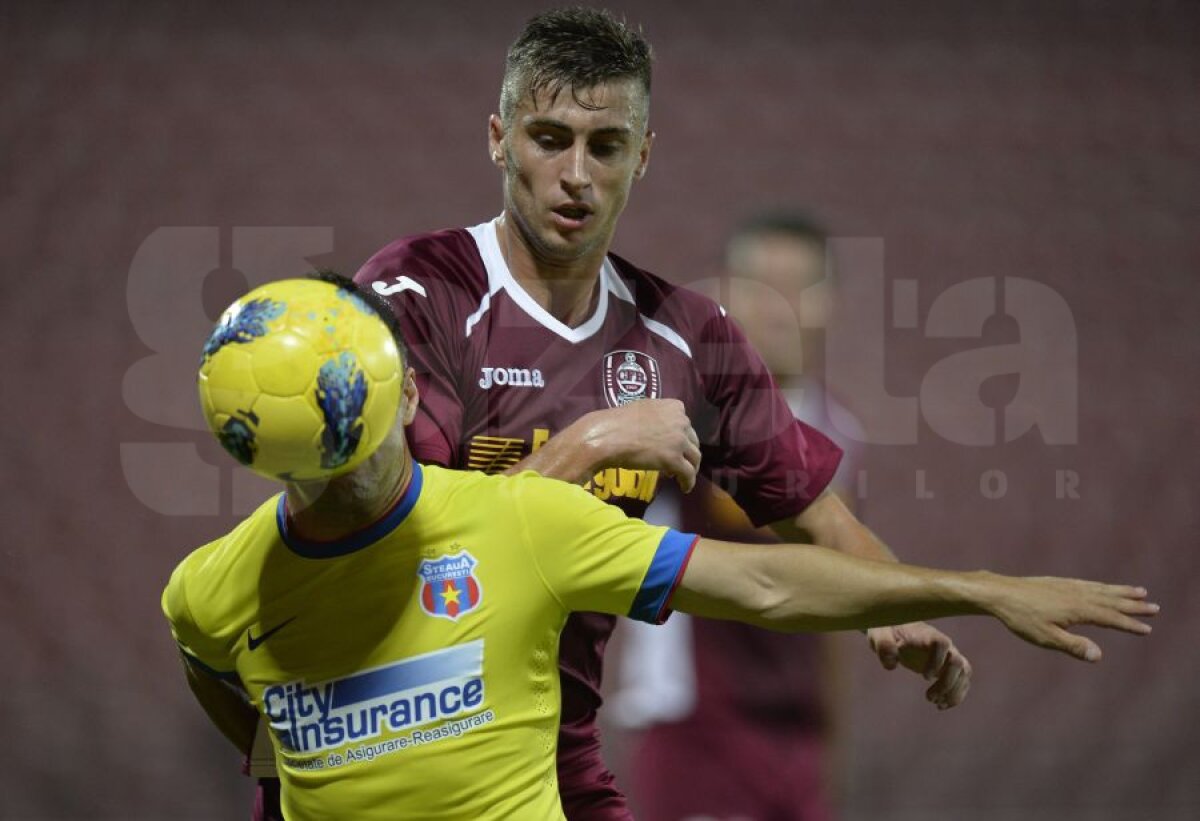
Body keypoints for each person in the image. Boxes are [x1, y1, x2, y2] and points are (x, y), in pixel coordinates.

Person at [290, 8, 968, 820]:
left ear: (642, 156)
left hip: (552, 745)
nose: (577, 173)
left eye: (605, 146)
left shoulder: (686, 338)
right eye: (550, 138)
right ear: (500, 140)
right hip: (389, 730)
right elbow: (417, 551)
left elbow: (814, 513)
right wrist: (592, 443)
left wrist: (896, 604)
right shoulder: (418, 293)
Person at [168, 273, 1157, 821]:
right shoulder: (212, 588)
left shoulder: (521, 519)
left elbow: (768, 578)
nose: (360, 469)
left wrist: (974, 587)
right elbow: (211, 661)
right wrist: (284, 759)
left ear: (405, 398)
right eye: (329, 462)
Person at [612, 212, 862, 821]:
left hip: (795, 726)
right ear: (724, 297)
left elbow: (839, 596)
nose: (777, 308)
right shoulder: (682, 410)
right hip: (699, 726)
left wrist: (830, 725)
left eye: (798, 287)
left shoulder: (840, 432)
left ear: (829, 305)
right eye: (758, 285)